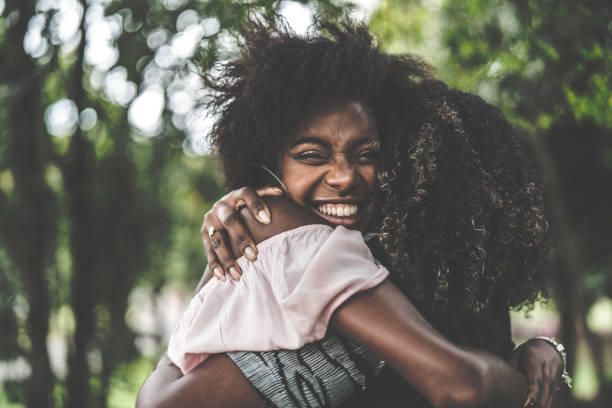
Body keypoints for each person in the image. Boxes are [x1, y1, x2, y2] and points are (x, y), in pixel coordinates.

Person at [137, 17, 567, 408]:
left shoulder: (420, 268)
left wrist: (542, 354)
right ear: (267, 166)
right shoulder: (283, 235)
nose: (343, 177)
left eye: (367, 154)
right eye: (311, 155)